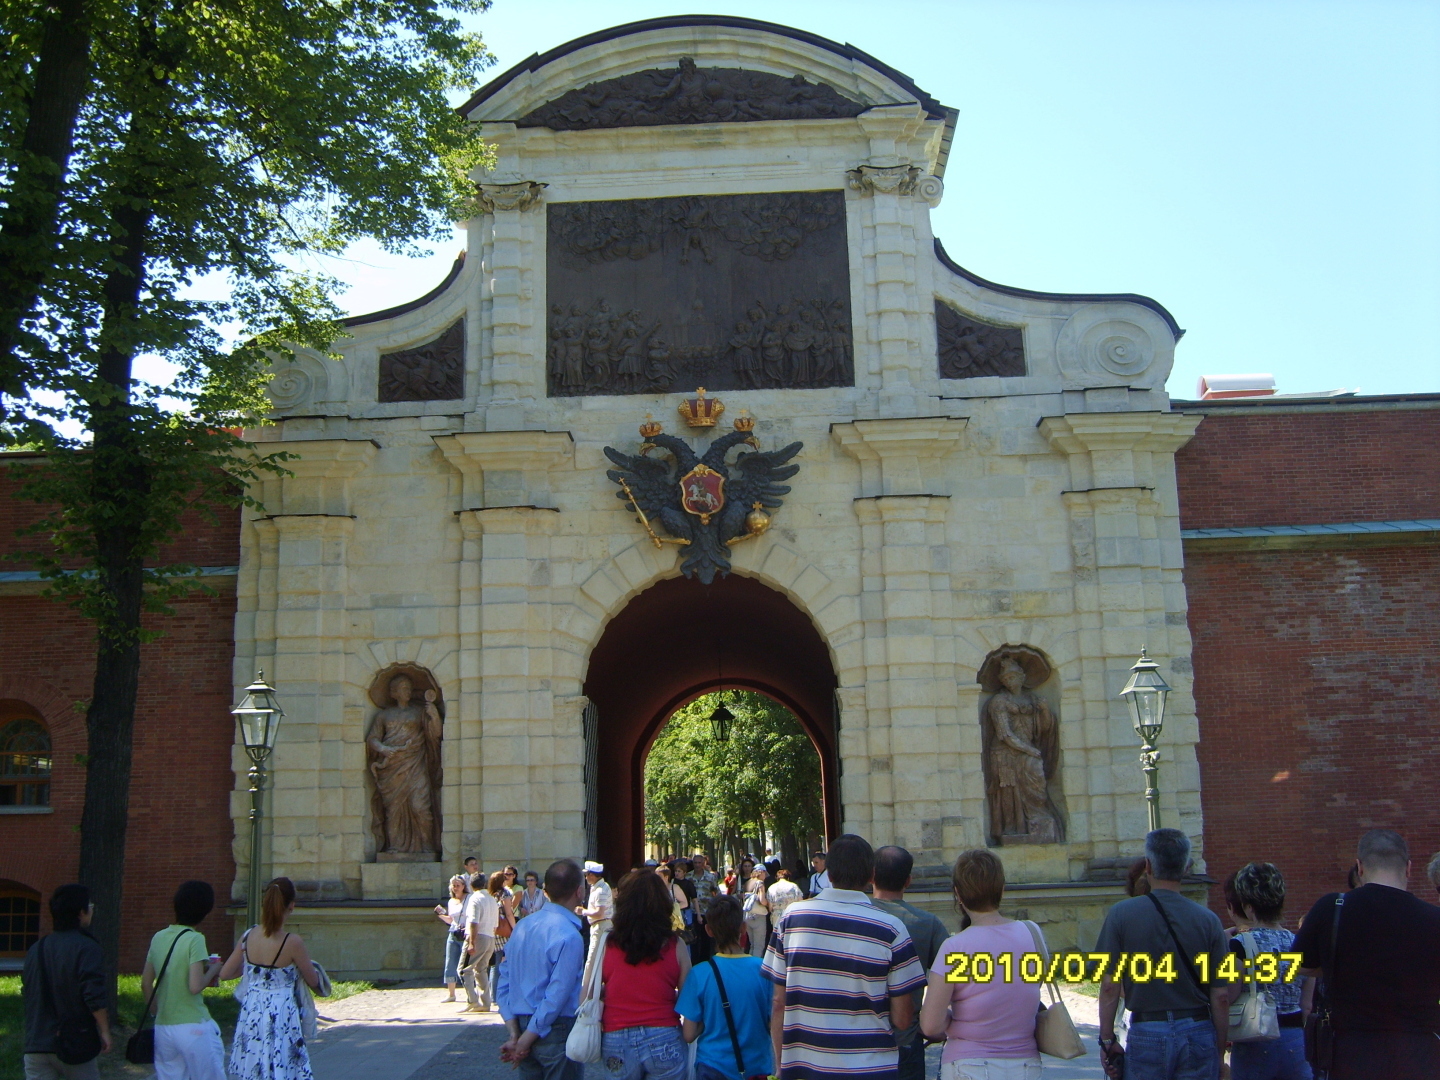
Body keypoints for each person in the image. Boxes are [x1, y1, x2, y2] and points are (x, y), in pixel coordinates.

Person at [762, 833, 926, 1080]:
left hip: (806, 1067)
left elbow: (779, 1002)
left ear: (828, 874)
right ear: (871, 876)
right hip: (871, 1068)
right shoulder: (891, 929)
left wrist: (780, 1066)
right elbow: (903, 1019)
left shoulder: (792, 919)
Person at [1293, 828, 1440, 1078]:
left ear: (1360, 867)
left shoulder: (1332, 908)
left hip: (1353, 1053)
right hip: (1420, 1054)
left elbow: (1298, 965)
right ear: (1408, 868)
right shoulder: (1433, 919)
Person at [1095, 829, 1229, 1080]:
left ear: (1148, 866)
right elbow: (1221, 995)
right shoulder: (1209, 920)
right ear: (1186, 868)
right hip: (1197, 1029)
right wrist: (1219, 1053)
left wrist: (1107, 1039)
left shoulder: (1121, 915)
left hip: (1147, 1029)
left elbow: (1110, 985)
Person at [919, 849, 1044, 1080]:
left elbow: (930, 1025)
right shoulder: (1032, 933)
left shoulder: (955, 948)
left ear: (958, 894)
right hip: (1026, 1064)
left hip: (970, 1064)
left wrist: (953, 1022)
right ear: (1002, 889)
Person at [221, 877, 321, 1080]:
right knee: (282, 1063)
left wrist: (253, 969)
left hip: (253, 1008)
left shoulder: (249, 936)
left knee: (254, 1061)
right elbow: (313, 981)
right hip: (281, 1009)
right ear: (291, 906)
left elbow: (225, 974)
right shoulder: (292, 942)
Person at [597, 869, 694, 1080]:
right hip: (664, 1033)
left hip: (616, 1034)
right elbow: (689, 998)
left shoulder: (606, 944)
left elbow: (587, 994)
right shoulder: (675, 944)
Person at [497, 859, 587, 1080]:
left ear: (545, 890)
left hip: (521, 1023)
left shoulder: (522, 927)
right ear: (579, 892)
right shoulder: (569, 935)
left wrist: (515, 1033)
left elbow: (504, 981)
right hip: (556, 1027)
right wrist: (527, 1037)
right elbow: (558, 993)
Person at [1220, 863, 1311, 1080]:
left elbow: (1227, 995)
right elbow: (1307, 1004)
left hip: (1255, 1038)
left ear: (1248, 907)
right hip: (1296, 1039)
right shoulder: (1300, 943)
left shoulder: (1240, 944)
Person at [677, 894, 775, 1080]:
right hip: (756, 1067)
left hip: (712, 1066)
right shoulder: (764, 969)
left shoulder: (699, 974)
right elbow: (774, 1023)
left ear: (708, 930)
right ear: (743, 928)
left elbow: (688, 1034)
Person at [871, 846, 949, 1080]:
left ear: (871, 876)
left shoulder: (853, 918)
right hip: (906, 1040)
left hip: (858, 1041)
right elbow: (955, 975)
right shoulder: (928, 923)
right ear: (908, 881)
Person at [22, 883, 109, 1080]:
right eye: (90, 906)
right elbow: (93, 994)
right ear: (81, 912)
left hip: (36, 1043)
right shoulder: (87, 947)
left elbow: (28, 992)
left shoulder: (36, 949)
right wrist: (104, 1030)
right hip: (75, 1042)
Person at [142, 880, 227, 1080]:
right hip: (194, 1025)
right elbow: (195, 986)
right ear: (205, 910)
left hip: (164, 1027)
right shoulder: (195, 939)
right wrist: (213, 970)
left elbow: (146, 984)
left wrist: (156, 1012)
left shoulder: (159, 937)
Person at [461, 871, 499, 1012]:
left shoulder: (475, 898)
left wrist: (471, 942)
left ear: (471, 885)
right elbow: (495, 924)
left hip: (478, 936)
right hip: (490, 937)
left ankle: (473, 1000)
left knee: (464, 969)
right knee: (481, 969)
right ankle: (486, 1003)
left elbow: (473, 921)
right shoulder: (491, 899)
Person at [436, 875, 469, 1002]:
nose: (455, 888)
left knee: (466, 964)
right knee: (450, 962)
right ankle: (451, 993)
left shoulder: (469, 899)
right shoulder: (451, 901)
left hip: (466, 934)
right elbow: (451, 920)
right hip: (453, 933)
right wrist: (440, 915)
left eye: (458, 885)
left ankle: (470, 993)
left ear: (463, 886)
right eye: (453, 886)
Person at [580, 861, 614, 982]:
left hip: (600, 926)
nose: (586, 878)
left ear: (592, 875)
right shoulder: (598, 887)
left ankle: (586, 988)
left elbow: (599, 913)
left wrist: (583, 911)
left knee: (592, 959)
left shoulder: (600, 890)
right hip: (599, 926)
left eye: (587, 875)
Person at [488, 870, 518, 1009]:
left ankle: (493, 995)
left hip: (494, 930)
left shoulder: (490, 895)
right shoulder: (505, 894)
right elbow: (509, 913)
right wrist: (515, 929)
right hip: (504, 931)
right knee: (506, 961)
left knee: (496, 963)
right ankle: (501, 994)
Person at [691, 854, 719, 963]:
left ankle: (705, 961)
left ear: (703, 863)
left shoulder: (710, 877)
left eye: (699, 863)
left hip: (706, 911)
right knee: (693, 938)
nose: (697, 865)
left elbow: (716, 892)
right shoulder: (688, 877)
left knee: (706, 939)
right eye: (695, 863)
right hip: (692, 912)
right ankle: (694, 961)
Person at [742, 867, 770, 958]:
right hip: (758, 916)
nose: (765, 876)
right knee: (759, 945)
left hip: (747, 915)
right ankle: (756, 965)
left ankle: (750, 964)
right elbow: (762, 901)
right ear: (761, 872)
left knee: (752, 944)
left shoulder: (747, 882)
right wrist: (768, 904)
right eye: (765, 873)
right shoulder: (760, 883)